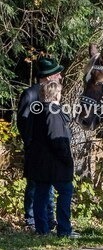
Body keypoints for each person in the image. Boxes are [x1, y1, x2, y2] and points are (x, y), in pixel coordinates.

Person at [16, 56, 64, 230]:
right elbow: (23, 122)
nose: (60, 77)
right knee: (34, 185)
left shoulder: (53, 93)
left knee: (47, 186)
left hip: (50, 150)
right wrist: (31, 144)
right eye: (58, 74)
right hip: (36, 149)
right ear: (49, 76)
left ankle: (49, 219)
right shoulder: (30, 94)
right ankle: (31, 219)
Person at [26, 79, 78, 237]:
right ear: (56, 94)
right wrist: (67, 159)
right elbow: (58, 139)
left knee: (41, 194)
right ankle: (64, 229)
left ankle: (42, 229)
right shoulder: (53, 113)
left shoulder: (38, 111)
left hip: (40, 162)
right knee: (65, 192)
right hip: (55, 164)